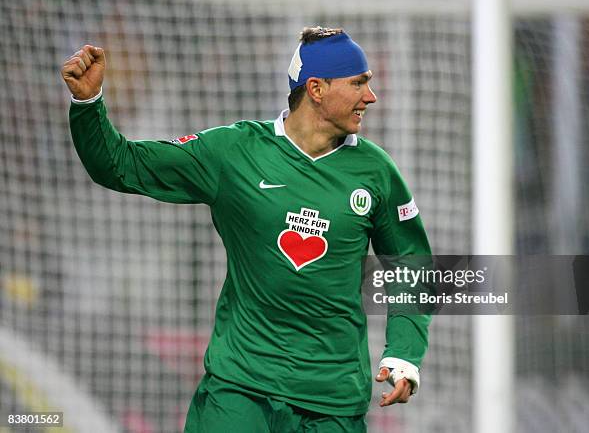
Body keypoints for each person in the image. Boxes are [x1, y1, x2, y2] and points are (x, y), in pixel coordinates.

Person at [61, 26, 432, 433]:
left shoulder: (376, 171)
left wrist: (403, 353)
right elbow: (121, 165)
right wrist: (88, 102)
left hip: (332, 402)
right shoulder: (233, 152)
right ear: (317, 89)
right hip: (240, 390)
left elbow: (411, 266)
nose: (370, 96)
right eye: (358, 82)